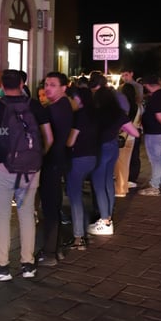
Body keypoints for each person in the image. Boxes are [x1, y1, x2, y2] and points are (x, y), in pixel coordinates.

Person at [0, 69, 53, 281]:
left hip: (3, 167)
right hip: (31, 169)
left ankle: (2, 266)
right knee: (27, 213)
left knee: (2, 216)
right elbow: (49, 137)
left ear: (1, 85)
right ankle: (28, 264)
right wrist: (38, 158)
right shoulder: (35, 105)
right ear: (22, 84)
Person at [86, 86, 140, 236]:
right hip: (113, 148)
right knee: (109, 182)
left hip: (99, 149)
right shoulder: (119, 113)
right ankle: (108, 217)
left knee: (98, 185)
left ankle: (105, 221)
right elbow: (135, 132)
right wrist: (119, 132)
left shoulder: (95, 113)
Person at [35, 72, 73, 267]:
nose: (48, 88)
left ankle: (50, 252)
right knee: (52, 206)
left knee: (50, 207)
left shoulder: (57, 108)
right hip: (57, 161)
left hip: (52, 163)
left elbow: (49, 139)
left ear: (63, 88)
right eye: (46, 84)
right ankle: (54, 248)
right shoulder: (62, 106)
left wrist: (40, 155)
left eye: (52, 85)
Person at [63, 87, 97, 250]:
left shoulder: (79, 116)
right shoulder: (94, 114)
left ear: (78, 99)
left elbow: (70, 141)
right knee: (81, 198)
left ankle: (79, 237)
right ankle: (83, 231)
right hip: (92, 157)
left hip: (78, 158)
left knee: (75, 198)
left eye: (72, 99)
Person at [139, 75, 161, 196]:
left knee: (155, 160)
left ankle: (154, 186)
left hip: (155, 132)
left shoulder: (155, 97)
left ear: (149, 85)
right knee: (160, 157)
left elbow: (158, 115)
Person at [114, 83, 142, 197]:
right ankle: (123, 186)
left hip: (123, 137)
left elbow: (123, 123)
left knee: (120, 164)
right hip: (132, 136)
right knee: (125, 164)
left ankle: (120, 189)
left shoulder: (126, 106)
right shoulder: (138, 106)